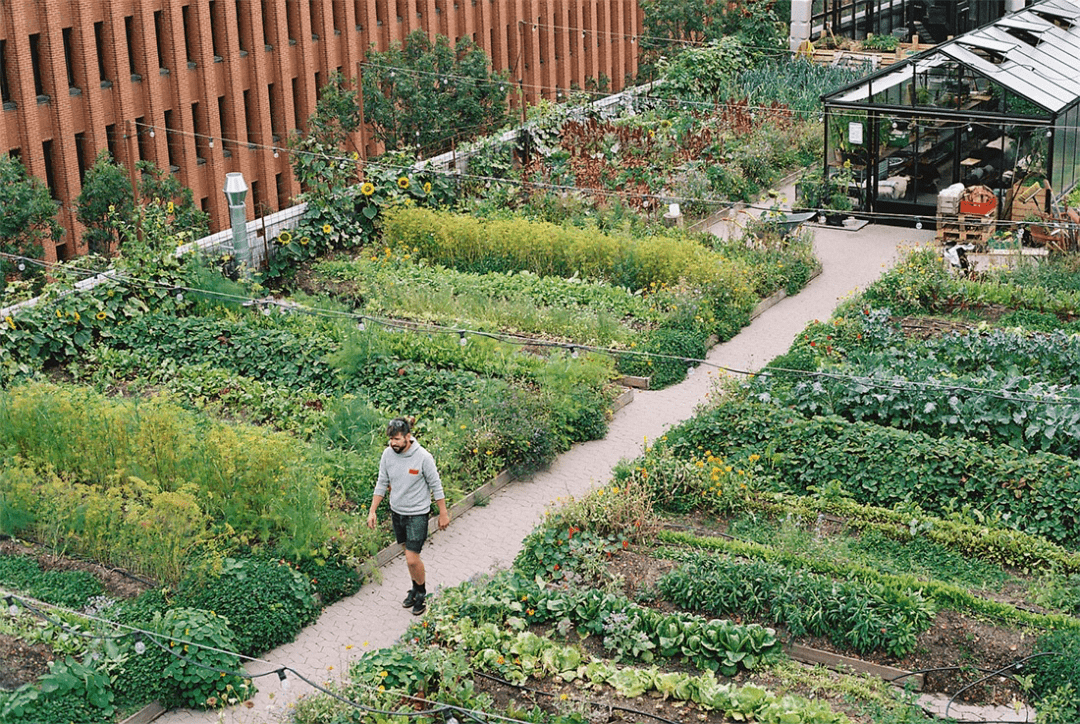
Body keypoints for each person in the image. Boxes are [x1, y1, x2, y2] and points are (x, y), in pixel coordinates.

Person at [367, 416, 449, 616]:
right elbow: (381, 482)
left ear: (408, 437)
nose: (393, 443)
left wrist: (443, 513)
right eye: (391, 439)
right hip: (398, 513)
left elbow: (435, 485)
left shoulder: (423, 457)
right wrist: (372, 510)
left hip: (417, 514)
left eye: (397, 439)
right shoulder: (387, 455)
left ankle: (421, 593)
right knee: (408, 555)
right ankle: (414, 587)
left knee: (412, 559)